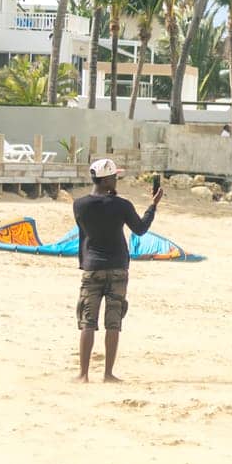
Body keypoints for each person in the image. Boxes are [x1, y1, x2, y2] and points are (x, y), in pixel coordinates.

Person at [72, 159, 163, 382]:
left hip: (92, 267)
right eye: (114, 177)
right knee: (113, 322)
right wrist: (153, 206)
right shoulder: (122, 205)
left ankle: (83, 375)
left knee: (87, 322)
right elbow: (140, 230)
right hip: (118, 269)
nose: (116, 181)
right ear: (105, 180)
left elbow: (85, 233)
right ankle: (108, 374)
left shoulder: (79, 204)